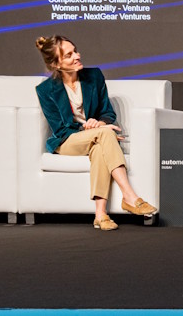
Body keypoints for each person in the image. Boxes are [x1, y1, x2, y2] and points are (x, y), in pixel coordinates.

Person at [34, 35, 157, 231]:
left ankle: (100, 215)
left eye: (75, 51)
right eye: (69, 55)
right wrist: (89, 128)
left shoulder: (94, 76)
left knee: (100, 147)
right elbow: (60, 128)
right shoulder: (45, 90)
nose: (77, 56)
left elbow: (107, 112)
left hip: (95, 138)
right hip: (67, 141)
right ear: (56, 64)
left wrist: (100, 123)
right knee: (105, 135)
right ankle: (129, 196)